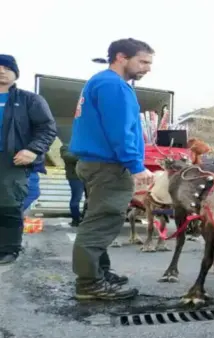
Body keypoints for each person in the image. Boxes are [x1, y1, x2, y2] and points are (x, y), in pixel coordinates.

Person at [69, 38, 155, 300]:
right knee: (101, 222)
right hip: (108, 166)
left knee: (98, 220)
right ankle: (89, 284)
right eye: (143, 61)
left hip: (96, 163)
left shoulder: (101, 82)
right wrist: (136, 166)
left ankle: (98, 272)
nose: (147, 68)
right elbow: (119, 131)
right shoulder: (112, 85)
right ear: (121, 57)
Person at [0, 54, 57, 265]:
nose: (1, 70)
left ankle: (8, 249)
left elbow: (47, 128)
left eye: (7, 67)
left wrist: (33, 150)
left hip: (12, 160)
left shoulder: (29, 100)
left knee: (9, 204)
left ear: (16, 73)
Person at [59, 140, 84, 226]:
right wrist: (83, 155)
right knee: (76, 198)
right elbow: (68, 157)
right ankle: (76, 219)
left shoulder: (87, 146)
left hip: (89, 176)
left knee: (91, 199)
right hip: (75, 177)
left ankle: (85, 219)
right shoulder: (66, 146)